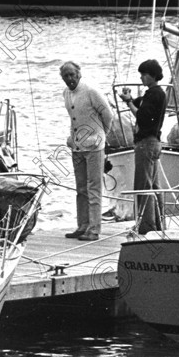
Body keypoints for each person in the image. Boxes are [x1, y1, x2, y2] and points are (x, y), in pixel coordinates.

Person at [61, 61, 114, 242]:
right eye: (66, 76)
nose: (69, 79)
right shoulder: (66, 93)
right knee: (81, 189)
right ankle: (82, 225)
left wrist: (101, 135)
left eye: (72, 75)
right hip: (77, 147)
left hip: (94, 147)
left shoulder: (91, 91)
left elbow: (108, 114)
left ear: (79, 74)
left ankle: (94, 229)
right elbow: (74, 119)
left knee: (94, 188)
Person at [120, 59, 167, 234]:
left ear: (152, 75)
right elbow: (141, 103)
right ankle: (159, 222)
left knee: (143, 185)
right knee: (154, 185)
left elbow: (141, 116)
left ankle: (146, 225)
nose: (141, 78)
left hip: (146, 143)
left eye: (144, 75)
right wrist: (130, 99)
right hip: (155, 142)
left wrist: (129, 104)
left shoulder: (152, 94)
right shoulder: (159, 93)